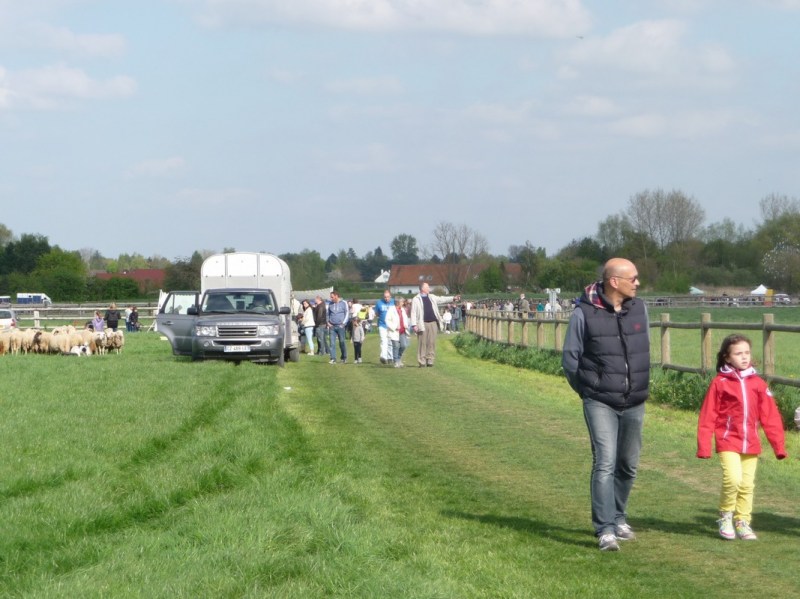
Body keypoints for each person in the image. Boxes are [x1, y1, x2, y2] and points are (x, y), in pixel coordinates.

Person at [562, 258, 650, 552]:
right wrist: (589, 391)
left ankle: (619, 516)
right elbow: (570, 361)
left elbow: (643, 350)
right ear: (615, 282)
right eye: (633, 278)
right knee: (605, 462)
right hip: (600, 402)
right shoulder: (583, 313)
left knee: (628, 465)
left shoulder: (639, 309)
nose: (638, 283)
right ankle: (605, 529)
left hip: (634, 401)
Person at [697, 334, 787, 541]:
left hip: (751, 443)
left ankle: (742, 521)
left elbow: (770, 417)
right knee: (733, 479)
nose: (744, 357)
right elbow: (707, 416)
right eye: (738, 353)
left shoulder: (758, 384)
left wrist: (778, 447)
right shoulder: (719, 383)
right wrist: (704, 446)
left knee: (747, 485)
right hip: (728, 440)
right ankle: (725, 516)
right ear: (727, 358)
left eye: (747, 353)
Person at [410, 282, 444, 368]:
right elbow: (413, 312)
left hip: (433, 322)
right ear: (422, 289)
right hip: (422, 323)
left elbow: (441, 299)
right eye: (427, 287)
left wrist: (453, 298)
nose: (429, 289)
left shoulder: (431, 297)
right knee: (422, 343)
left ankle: (430, 360)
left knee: (431, 342)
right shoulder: (416, 299)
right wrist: (414, 324)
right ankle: (422, 361)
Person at [327, 290, 349, 364]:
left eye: (332, 297)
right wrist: (328, 322)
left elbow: (347, 313)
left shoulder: (344, 303)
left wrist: (343, 323)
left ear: (336, 296)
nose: (331, 298)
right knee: (332, 343)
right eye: (330, 297)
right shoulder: (330, 304)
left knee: (342, 342)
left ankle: (344, 357)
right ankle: (333, 358)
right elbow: (327, 314)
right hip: (332, 326)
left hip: (340, 326)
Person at [374, 289, 395, 364]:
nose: (386, 298)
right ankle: (383, 357)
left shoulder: (393, 302)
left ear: (390, 296)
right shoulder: (379, 303)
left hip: (391, 326)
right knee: (383, 341)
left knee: (390, 341)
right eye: (385, 297)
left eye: (388, 297)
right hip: (382, 325)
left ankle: (390, 357)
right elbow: (377, 313)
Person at [395, 296, 411, 365]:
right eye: (402, 302)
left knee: (404, 345)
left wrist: (406, 324)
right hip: (395, 331)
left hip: (402, 331)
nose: (403, 303)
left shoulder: (403, 310)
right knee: (395, 346)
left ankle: (399, 358)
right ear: (398, 302)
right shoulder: (393, 310)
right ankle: (396, 361)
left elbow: (405, 318)